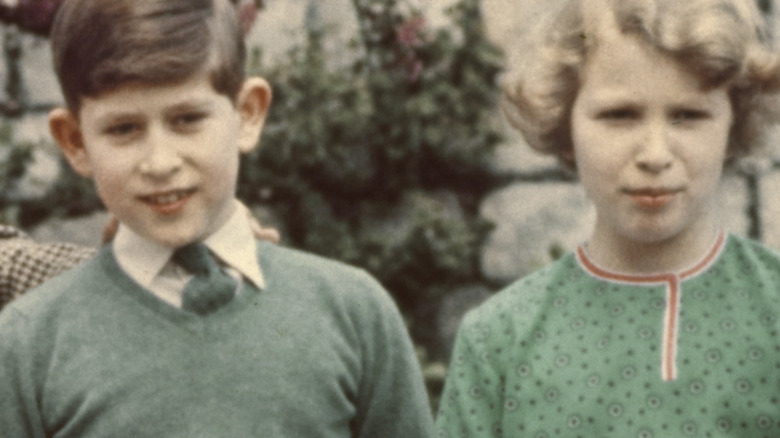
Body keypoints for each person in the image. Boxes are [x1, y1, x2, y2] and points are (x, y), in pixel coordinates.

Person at [0, 0, 433, 437]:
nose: (160, 162)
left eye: (187, 119)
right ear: (74, 141)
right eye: (123, 129)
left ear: (248, 114)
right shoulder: (27, 344)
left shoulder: (354, 312)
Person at [435, 0, 780, 436]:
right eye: (619, 115)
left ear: (734, 126)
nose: (655, 155)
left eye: (688, 116)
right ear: (565, 128)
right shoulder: (500, 338)